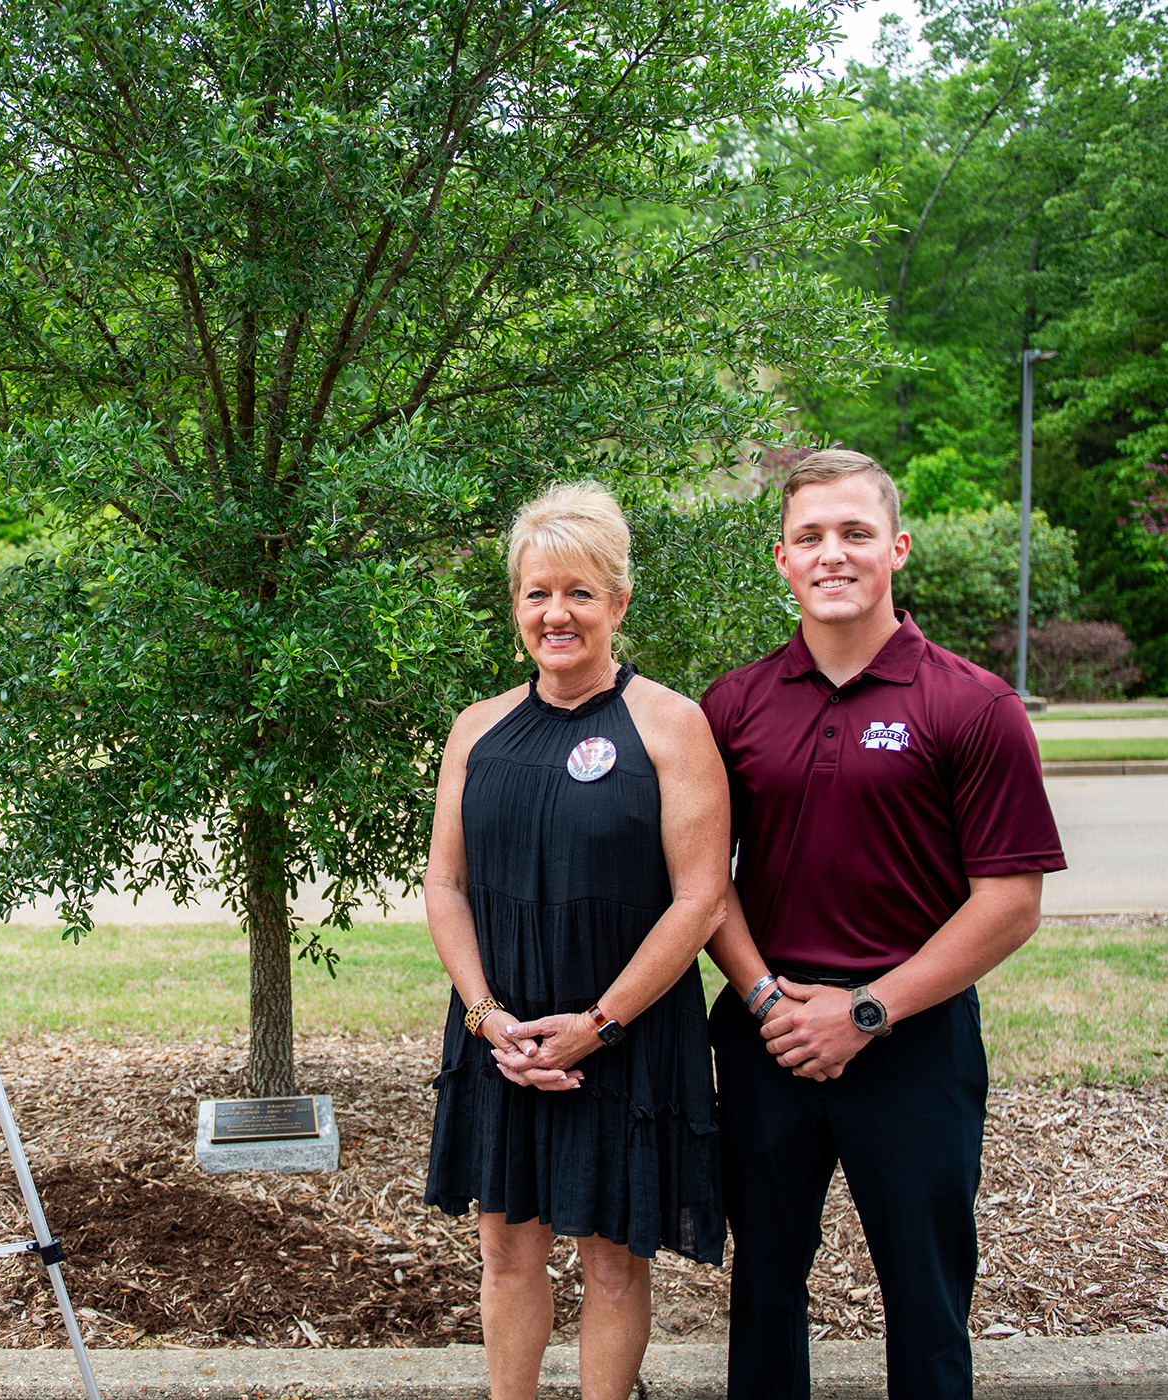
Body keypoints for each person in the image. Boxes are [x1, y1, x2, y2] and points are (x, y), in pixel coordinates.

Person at [700, 450, 1067, 1400]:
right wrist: (766, 996)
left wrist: (864, 1012)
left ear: (896, 548)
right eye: (810, 536)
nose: (834, 553)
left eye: (856, 533)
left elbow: (1010, 901)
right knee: (765, 1292)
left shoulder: (973, 705)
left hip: (914, 1045)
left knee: (928, 1299)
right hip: (767, 1039)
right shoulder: (731, 707)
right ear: (781, 559)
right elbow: (704, 884)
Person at [422, 482, 730, 1400]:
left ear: (618, 603)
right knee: (507, 1254)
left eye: (580, 593)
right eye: (537, 593)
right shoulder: (477, 730)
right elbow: (444, 883)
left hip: (623, 1035)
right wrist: (488, 1019)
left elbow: (702, 897)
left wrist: (598, 1022)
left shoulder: (672, 727)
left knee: (612, 1263)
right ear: (516, 605)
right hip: (501, 1034)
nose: (557, 614)